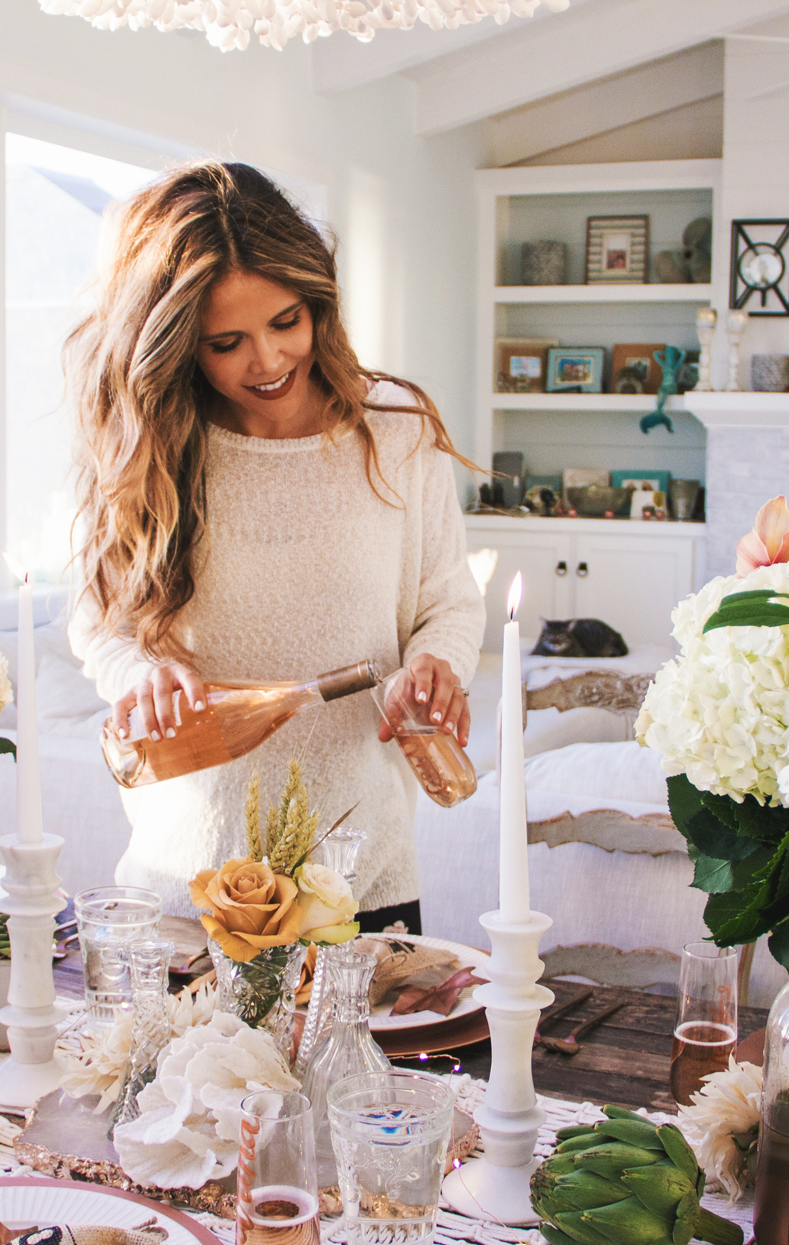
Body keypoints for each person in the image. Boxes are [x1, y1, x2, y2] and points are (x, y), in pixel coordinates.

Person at [65, 161, 484, 932]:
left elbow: (448, 600)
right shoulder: (150, 448)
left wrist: (436, 666)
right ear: (179, 341)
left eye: (286, 321)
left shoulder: (395, 431)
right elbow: (100, 624)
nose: (266, 360)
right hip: (187, 883)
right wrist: (144, 676)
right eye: (226, 341)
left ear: (317, 300)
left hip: (361, 879)